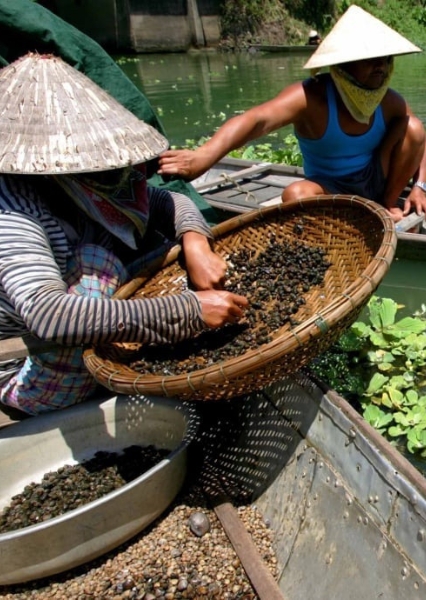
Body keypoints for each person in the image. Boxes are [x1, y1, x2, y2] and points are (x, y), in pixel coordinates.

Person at [0, 53, 249, 415]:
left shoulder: (92, 183)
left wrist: (196, 243)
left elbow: (169, 202)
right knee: (97, 264)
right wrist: (187, 311)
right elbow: (48, 314)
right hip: (27, 362)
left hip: (97, 317)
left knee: (174, 250)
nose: (122, 174)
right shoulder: (13, 210)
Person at [158, 5, 426, 224]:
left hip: (376, 179)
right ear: (344, 63)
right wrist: (202, 157)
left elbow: (421, 141)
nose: (382, 67)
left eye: (387, 60)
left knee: (412, 126)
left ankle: (386, 203)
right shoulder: (310, 98)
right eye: (371, 60)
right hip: (328, 188)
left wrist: (419, 187)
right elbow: (256, 120)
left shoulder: (388, 101)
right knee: (294, 195)